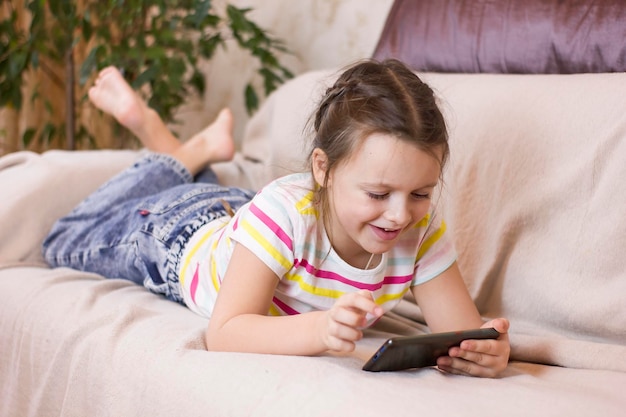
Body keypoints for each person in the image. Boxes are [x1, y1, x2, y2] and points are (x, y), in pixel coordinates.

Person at [43, 60, 510, 377]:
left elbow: (457, 332)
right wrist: (320, 329)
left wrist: (484, 351)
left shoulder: (417, 229)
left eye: (421, 193)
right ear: (323, 169)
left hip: (240, 213)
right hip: (176, 235)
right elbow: (224, 332)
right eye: (378, 193)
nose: (399, 214)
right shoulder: (283, 214)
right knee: (61, 241)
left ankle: (195, 150)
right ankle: (170, 141)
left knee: (229, 201)